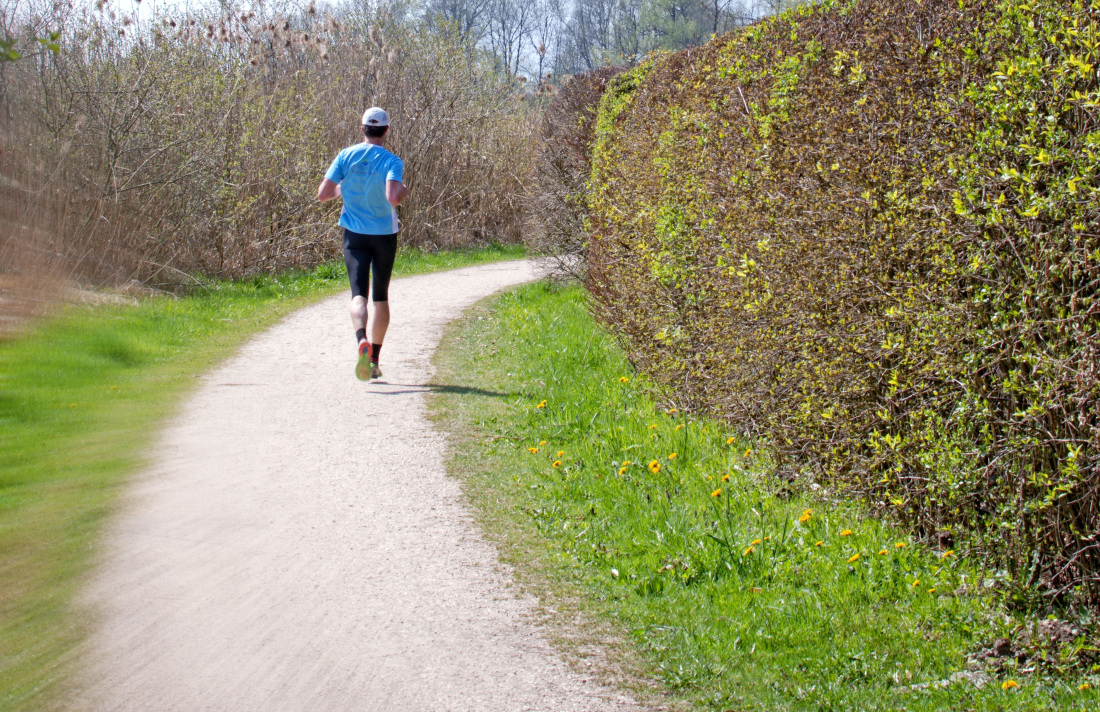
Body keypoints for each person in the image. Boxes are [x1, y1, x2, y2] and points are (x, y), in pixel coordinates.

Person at [317, 107, 408, 381]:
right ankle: (375, 360)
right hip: (383, 234)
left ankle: (361, 340)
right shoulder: (393, 161)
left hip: (354, 235)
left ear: (362, 129)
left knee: (358, 295)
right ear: (387, 131)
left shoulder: (346, 155)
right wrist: (404, 190)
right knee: (380, 298)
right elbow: (393, 197)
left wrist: (342, 189)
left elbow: (323, 194)